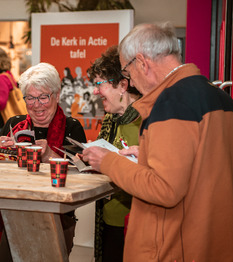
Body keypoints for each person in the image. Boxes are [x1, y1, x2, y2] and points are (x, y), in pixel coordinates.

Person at [79, 22, 233, 261]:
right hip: (212, 239)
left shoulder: (171, 103)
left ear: (142, 62)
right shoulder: (219, 96)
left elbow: (165, 189)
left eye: (127, 73)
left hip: (177, 245)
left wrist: (108, 161)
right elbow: (203, 167)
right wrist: (149, 155)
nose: (129, 83)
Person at [0, 62, 87, 261]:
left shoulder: (72, 128)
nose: (37, 105)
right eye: (30, 98)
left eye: (43, 97)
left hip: (56, 219)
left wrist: (50, 155)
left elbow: (84, 175)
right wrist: (2, 155)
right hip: (13, 214)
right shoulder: (13, 124)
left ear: (57, 96)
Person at [86, 45, 142, 262]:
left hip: (137, 222)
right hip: (109, 217)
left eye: (99, 84)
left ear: (122, 85)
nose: (95, 91)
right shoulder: (111, 118)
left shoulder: (147, 120)